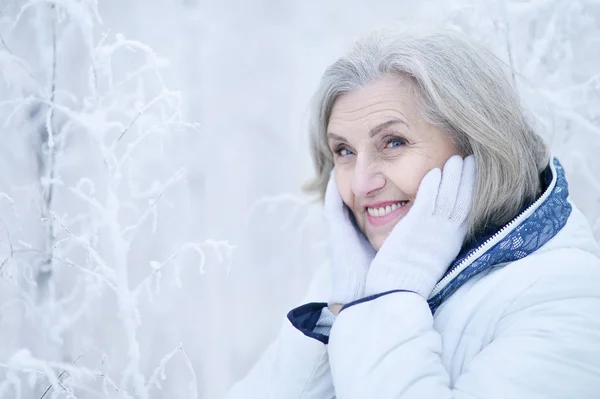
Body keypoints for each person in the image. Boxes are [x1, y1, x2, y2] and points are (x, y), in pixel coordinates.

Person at [223, 27, 600, 398]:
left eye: (393, 142)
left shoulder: (566, 294)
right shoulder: (351, 276)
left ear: (478, 146)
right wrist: (346, 308)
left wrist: (385, 301)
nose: (360, 184)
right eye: (344, 151)